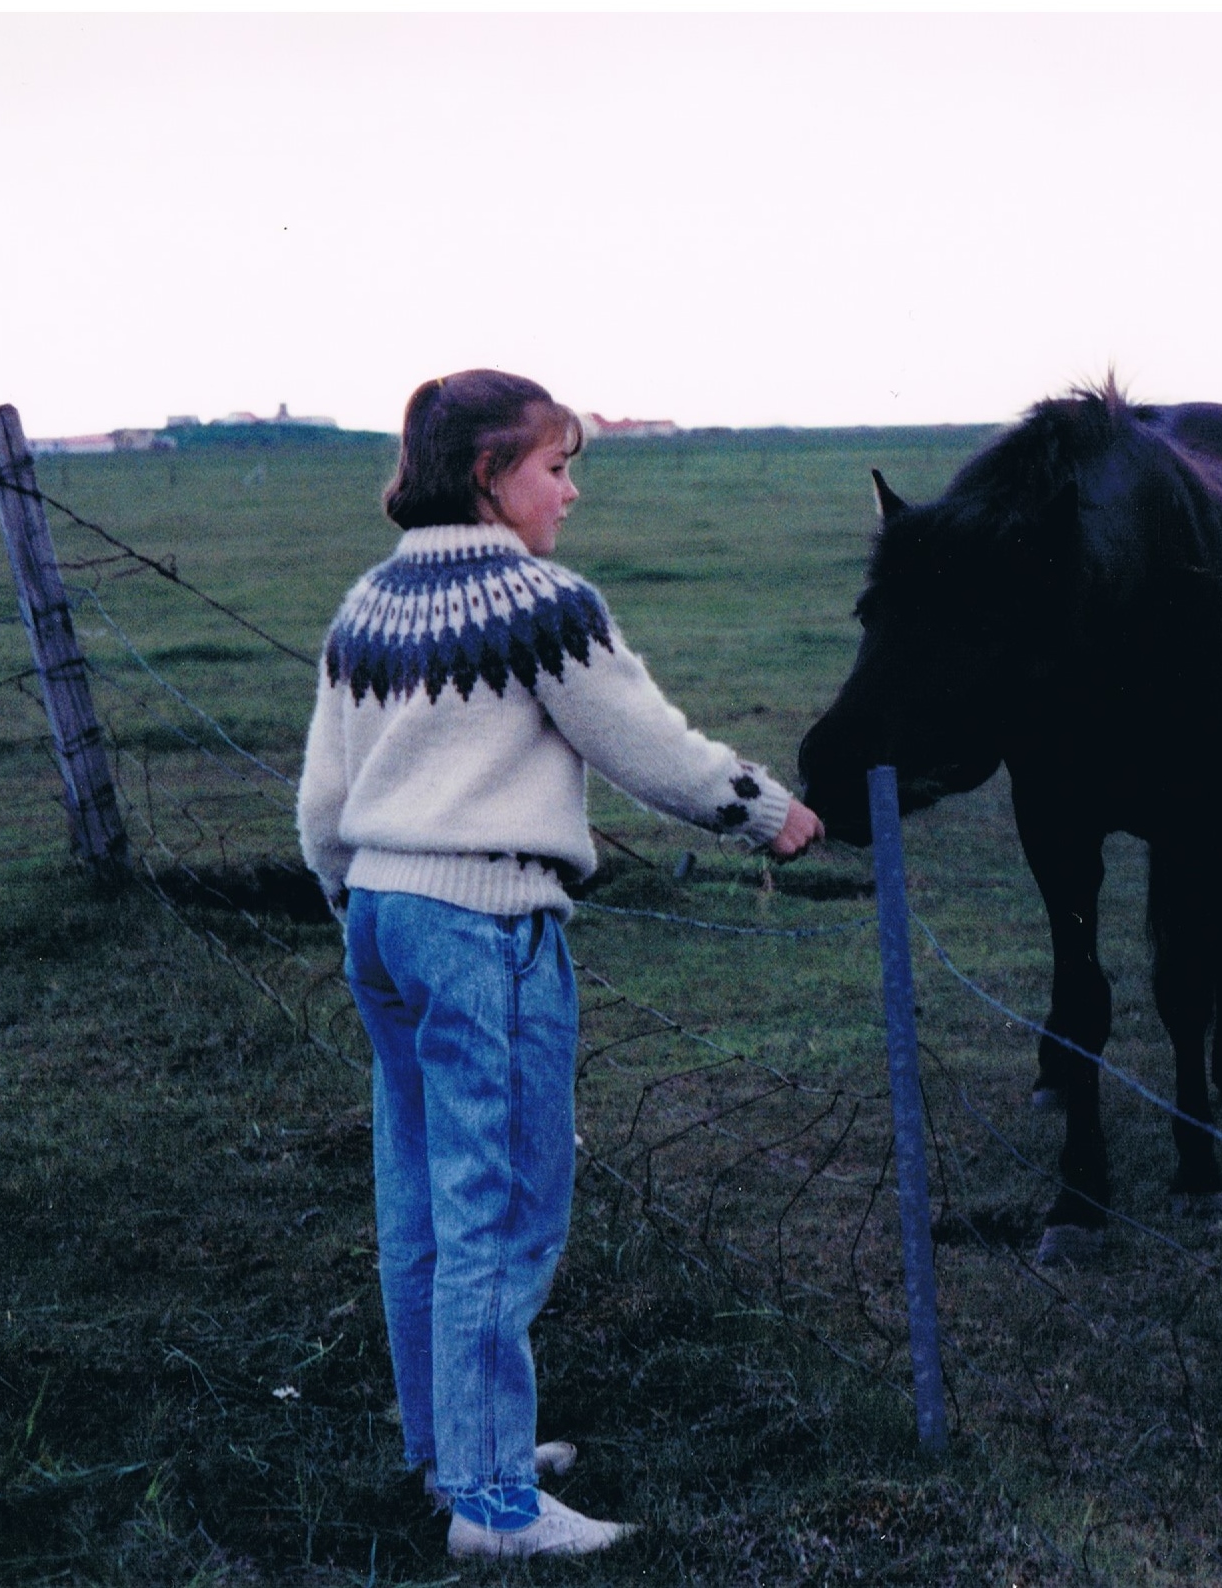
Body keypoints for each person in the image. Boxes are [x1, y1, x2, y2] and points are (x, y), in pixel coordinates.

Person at [296, 370, 822, 1558]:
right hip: (483, 926)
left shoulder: (368, 605)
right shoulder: (540, 605)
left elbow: (323, 800)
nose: (571, 491)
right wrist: (762, 810)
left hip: (381, 916)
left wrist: (353, 900)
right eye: (556, 466)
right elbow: (646, 744)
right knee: (502, 1209)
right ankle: (493, 1505)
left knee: (420, 1198)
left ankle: (449, 1448)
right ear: (490, 477)